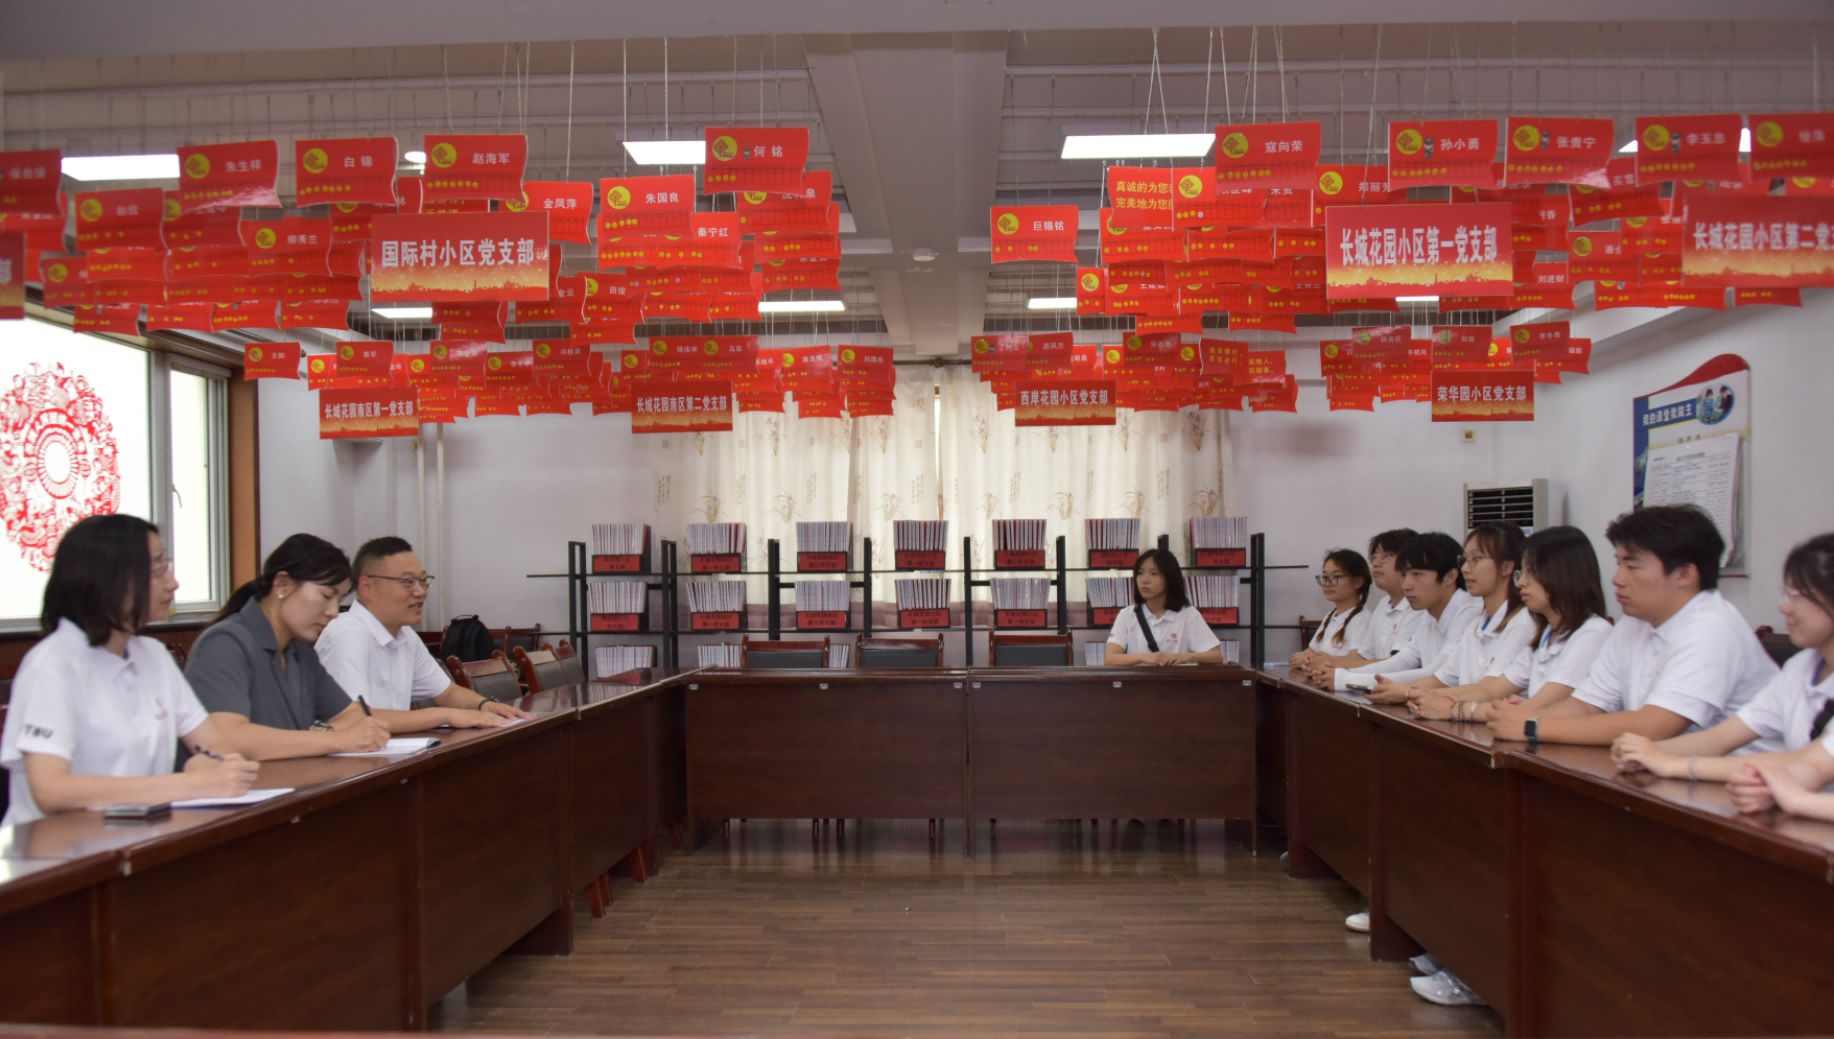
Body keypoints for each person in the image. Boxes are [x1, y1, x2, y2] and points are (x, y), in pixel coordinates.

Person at [0, 514, 260, 825]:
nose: (172, 583)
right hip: (59, 845)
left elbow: (217, 745)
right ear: (109, 579)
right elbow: (51, 790)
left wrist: (210, 762)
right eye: (158, 570)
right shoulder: (51, 665)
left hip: (138, 836)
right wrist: (187, 784)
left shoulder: (153, 655)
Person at [184, 534, 511, 760]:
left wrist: (343, 733)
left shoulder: (299, 651)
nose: (332, 611)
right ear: (282, 584)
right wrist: (334, 739)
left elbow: (355, 718)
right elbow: (227, 737)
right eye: (326, 597)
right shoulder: (226, 643)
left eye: (338, 600)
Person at [1490, 506, 1775, 745]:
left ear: (1685, 574)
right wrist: (1526, 715)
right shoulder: (1633, 623)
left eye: (1632, 567)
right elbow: (1588, 705)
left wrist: (1533, 726)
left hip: (1747, 784)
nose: (1617, 579)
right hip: (1668, 771)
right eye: (1619, 564)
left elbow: (1655, 726)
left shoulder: (1712, 628)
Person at [1615, 532, 1834, 780]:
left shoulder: (1713, 624)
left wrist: (1671, 764)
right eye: (1785, 594)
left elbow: (1808, 762)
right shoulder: (1800, 667)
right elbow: (1720, 738)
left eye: (1797, 596)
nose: (1784, 607)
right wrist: (1645, 751)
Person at [1406, 526, 1614, 725]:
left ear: (1562, 575)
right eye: (1521, 574)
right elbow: (1493, 691)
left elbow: (1532, 709)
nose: (1521, 582)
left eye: (1530, 573)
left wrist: (1452, 709)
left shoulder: (1592, 633)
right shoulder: (1546, 635)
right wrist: (1427, 698)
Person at [316, 536, 533, 718]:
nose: (420, 592)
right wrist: (445, 716)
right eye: (407, 582)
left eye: (422, 581)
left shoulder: (405, 635)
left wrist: (486, 706)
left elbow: (446, 693)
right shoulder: (347, 634)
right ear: (367, 586)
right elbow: (357, 719)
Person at [1371, 524, 1536, 712]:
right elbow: (1441, 678)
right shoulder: (1475, 625)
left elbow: (1489, 691)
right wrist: (1400, 689)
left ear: (1507, 566)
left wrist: (1407, 692)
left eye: (1476, 559)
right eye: (1464, 560)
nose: (1465, 568)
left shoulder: (1523, 623)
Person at [1317, 533, 1482, 693]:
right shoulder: (1429, 612)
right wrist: (1344, 673)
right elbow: (1405, 659)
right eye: (1404, 575)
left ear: (1450, 576)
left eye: (1417, 574)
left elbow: (1438, 675)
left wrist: (1346, 679)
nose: (1406, 585)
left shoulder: (1470, 612)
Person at [1305, 528, 1421, 673]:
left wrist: (1331, 666)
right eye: (1374, 557)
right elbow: (1363, 657)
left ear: (1410, 561)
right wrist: (1322, 663)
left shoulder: (1419, 606)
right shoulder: (1383, 604)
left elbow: (1399, 664)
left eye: (1386, 556)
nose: (1376, 563)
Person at [1105, 549, 1226, 665]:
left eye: (1154, 573)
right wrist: (1144, 657)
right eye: (1140, 573)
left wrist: (1185, 657)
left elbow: (1216, 656)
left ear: (1169, 579)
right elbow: (1110, 659)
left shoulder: (1188, 614)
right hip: (1139, 679)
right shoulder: (1127, 614)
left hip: (1175, 679)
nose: (1145, 580)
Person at [1288, 549, 1372, 670]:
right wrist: (1300, 658)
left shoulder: (1363, 618)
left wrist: (1314, 660)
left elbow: (1358, 659)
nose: (1327, 583)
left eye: (1335, 577)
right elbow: (1310, 651)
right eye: (1325, 577)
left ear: (1358, 582)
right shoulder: (1330, 615)